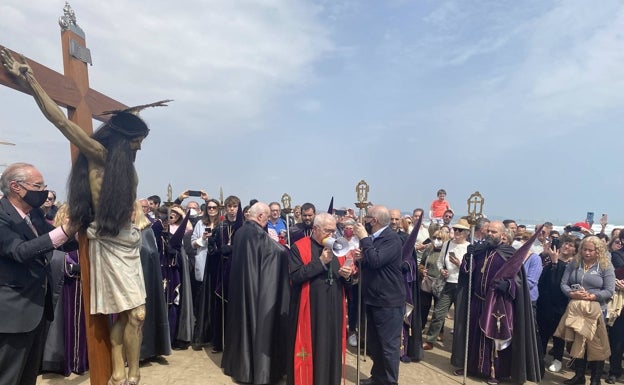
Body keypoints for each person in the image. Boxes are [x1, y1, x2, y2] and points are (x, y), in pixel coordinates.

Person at [1, 49, 169, 385]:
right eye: (136, 141)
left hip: (129, 241)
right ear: (122, 140)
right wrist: (31, 79)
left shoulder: (126, 167)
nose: (139, 147)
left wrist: (130, 113)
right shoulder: (99, 155)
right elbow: (60, 120)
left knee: (137, 313)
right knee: (131, 312)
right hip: (106, 241)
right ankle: (122, 373)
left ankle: (130, 373)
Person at [0, 162, 79, 385]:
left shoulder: (33, 215)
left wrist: (78, 232)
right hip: (12, 315)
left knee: (27, 376)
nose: (43, 191)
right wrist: (64, 231)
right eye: (38, 185)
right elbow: (19, 251)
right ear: (16, 187)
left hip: (36, 311)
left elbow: (55, 242)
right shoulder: (2, 216)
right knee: (8, 376)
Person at [451, 220, 541, 385]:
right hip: (477, 300)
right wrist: (468, 256)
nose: (490, 234)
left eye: (493, 232)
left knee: (493, 338)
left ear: (502, 235)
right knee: (473, 335)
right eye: (488, 231)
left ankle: (494, 372)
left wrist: (508, 285)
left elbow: (519, 282)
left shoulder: (509, 253)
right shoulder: (479, 250)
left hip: (497, 304)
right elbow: (467, 273)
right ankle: (471, 367)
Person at [221, 202, 290, 384]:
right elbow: (276, 252)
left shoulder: (242, 231)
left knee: (241, 327)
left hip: (242, 287)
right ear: (260, 217)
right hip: (255, 289)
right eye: (267, 218)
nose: (267, 221)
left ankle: (239, 367)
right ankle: (254, 370)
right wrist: (286, 250)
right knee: (254, 327)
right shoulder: (257, 234)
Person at [287, 212, 354, 385]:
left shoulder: (339, 248)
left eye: (334, 231)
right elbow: (295, 276)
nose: (332, 235)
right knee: (314, 349)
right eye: (328, 231)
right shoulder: (299, 247)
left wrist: (347, 277)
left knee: (331, 349)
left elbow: (348, 284)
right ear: (315, 229)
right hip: (311, 310)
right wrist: (321, 262)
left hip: (334, 310)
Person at [354, 205, 404, 385]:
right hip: (373, 298)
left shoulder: (391, 239)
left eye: (367, 218)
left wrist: (364, 239)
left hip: (388, 302)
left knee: (388, 346)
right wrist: (361, 257)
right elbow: (371, 259)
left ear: (373, 220)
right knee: (375, 344)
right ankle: (378, 378)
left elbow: (376, 261)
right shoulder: (375, 238)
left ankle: (390, 382)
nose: (364, 221)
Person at [555, 235, 615, 385]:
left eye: (591, 250)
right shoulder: (574, 263)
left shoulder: (606, 266)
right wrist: (571, 293)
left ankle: (595, 380)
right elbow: (563, 284)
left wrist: (593, 296)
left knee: (595, 346)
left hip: (596, 311)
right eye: (584, 249)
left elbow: (609, 290)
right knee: (577, 343)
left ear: (598, 251)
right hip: (576, 310)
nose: (587, 253)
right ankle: (579, 376)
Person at [131, 201, 171, 361]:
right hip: (128, 279)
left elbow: (150, 253)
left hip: (146, 279)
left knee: (144, 315)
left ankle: (146, 350)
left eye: (132, 209)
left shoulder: (146, 231)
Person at [422, 218, 470, 351]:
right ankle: (430, 340)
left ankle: (458, 346)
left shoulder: (469, 247)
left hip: (461, 285)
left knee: (460, 316)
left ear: (466, 232)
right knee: (438, 313)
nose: (457, 232)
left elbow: (471, 268)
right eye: (455, 229)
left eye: (460, 230)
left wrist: (459, 265)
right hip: (447, 283)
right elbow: (439, 261)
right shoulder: (447, 244)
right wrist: (441, 269)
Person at [536, 234, 578, 374]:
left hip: (561, 304)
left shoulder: (573, 265)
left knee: (558, 334)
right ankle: (539, 356)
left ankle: (558, 359)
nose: (567, 246)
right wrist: (551, 260)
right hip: (544, 303)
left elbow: (558, 285)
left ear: (575, 250)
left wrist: (555, 263)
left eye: (571, 245)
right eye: (565, 243)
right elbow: (541, 282)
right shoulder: (549, 260)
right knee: (542, 332)